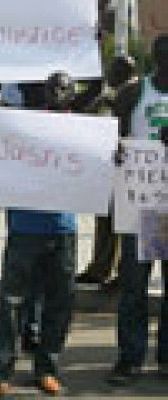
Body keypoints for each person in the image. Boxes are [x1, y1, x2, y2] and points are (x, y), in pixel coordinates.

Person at [0, 71, 81, 398]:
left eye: (65, 88)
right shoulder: (19, 125)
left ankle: (47, 368)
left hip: (64, 229)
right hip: (24, 229)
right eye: (52, 87)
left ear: (72, 94)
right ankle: (2, 370)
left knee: (60, 302)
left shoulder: (85, 130)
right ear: (42, 91)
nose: (57, 92)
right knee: (11, 303)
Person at [107, 34, 168, 386]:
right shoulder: (132, 94)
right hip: (139, 206)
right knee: (134, 287)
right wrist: (116, 152)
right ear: (154, 58)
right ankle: (129, 358)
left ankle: (166, 359)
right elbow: (111, 137)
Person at [76, 55, 139, 289]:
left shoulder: (128, 92)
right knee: (109, 219)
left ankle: (107, 269)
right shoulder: (120, 93)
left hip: (126, 165)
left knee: (115, 221)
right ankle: (103, 267)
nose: (107, 75)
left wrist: (106, 101)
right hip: (116, 164)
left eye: (111, 70)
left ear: (123, 71)